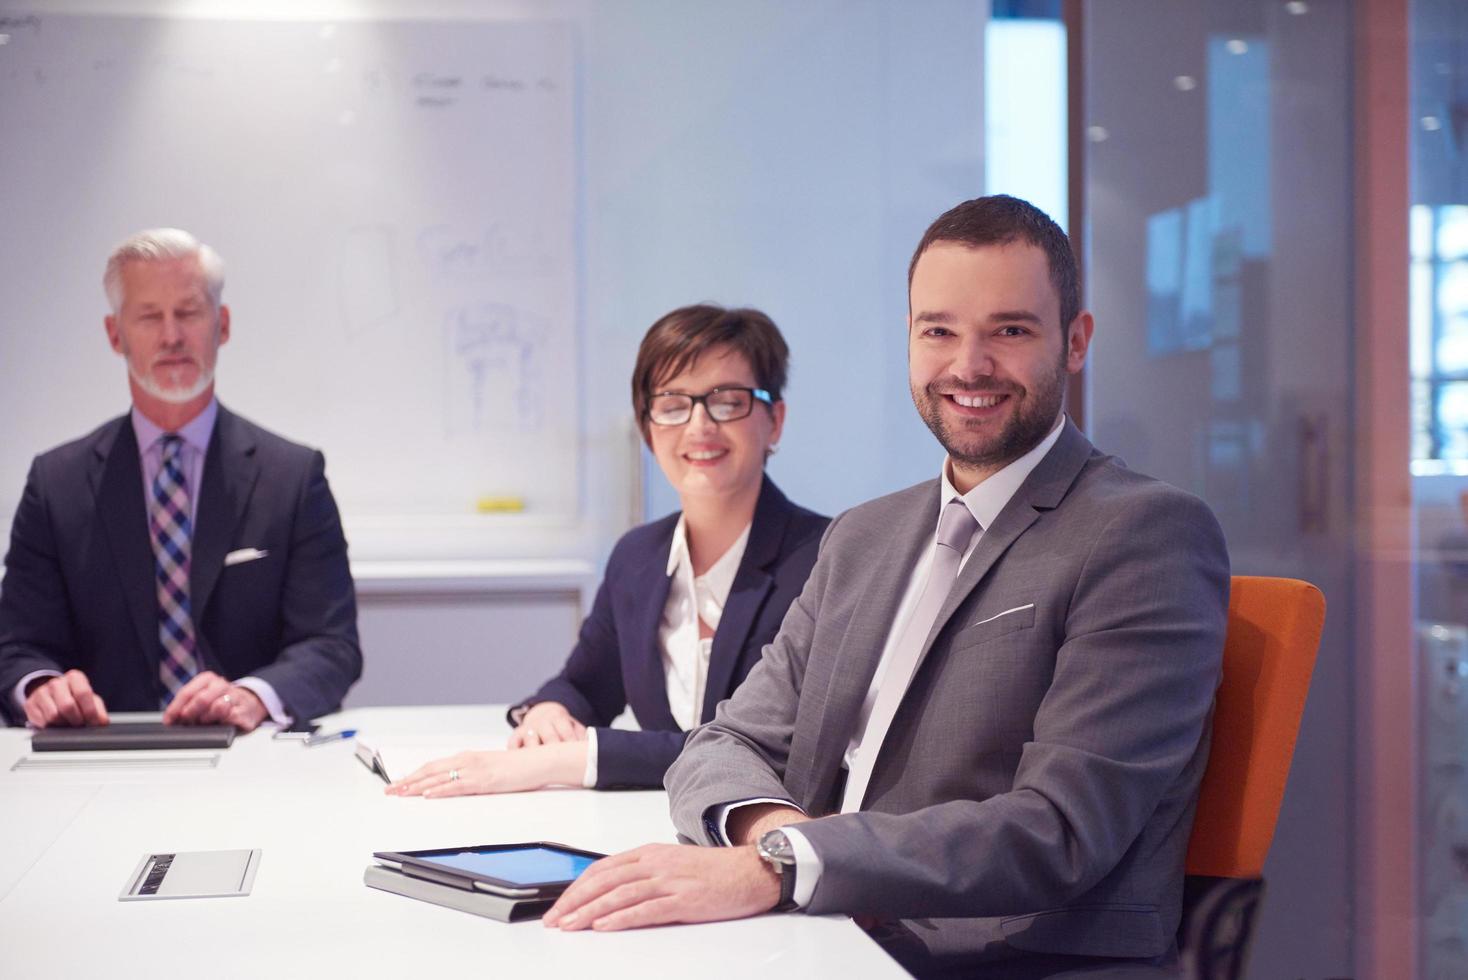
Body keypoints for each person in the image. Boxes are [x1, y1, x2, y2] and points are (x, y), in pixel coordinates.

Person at [540, 196, 1230, 978]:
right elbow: (725, 742)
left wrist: (782, 866)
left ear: (1075, 342)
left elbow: (1058, 829)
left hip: (1005, 960)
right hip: (824, 934)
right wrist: (780, 846)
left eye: (1010, 330)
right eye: (938, 330)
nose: (969, 366)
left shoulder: (1144, 534)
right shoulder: (865, 535)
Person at [386, 305, 828, 798]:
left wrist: (562, 761)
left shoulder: (825, 561)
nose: (699, 424)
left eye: (727, 401)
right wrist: (550, 711)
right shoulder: (637, 557)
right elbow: (583, 684)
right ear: (647, 427)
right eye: (673, 404)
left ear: (775, 421)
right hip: (643, 828)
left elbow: (756, 746)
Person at [0, 229, 361, 732]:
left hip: (251, 759)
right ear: (114, 334)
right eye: (149, 316)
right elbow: (16, 646)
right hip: (96, 755)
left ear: (223, 324)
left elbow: (332, 645)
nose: (171, 336)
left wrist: (251, 697)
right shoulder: (55, 484)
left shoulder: (293, 477)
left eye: (189, 312)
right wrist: (41, 687)